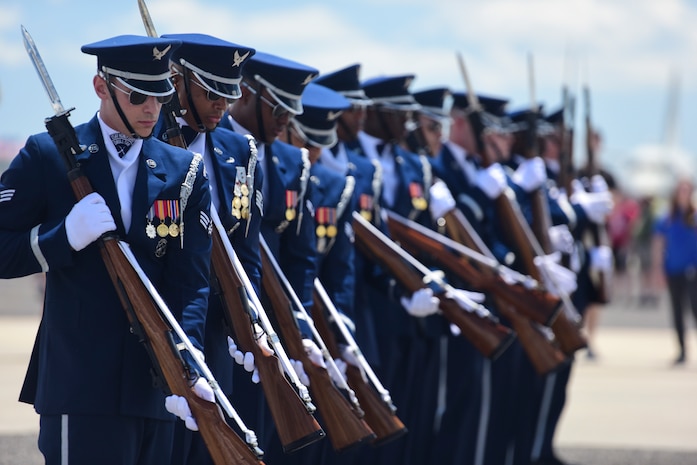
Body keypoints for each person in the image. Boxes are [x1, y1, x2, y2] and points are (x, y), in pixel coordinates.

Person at [0, 35, 213, 465]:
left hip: (157, 388)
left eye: (160, 94)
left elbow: (192, 282)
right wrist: (62, 237)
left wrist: (190, 358)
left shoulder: (183, 170)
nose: (152, 108)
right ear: (102, 87)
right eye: (138, 96)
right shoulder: (48, 156)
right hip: (79, 386)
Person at [151, 32, 262, 465]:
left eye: (228, 93)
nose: (222, 104)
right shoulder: (150, 138)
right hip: (157, 324)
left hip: (214, 334)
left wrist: (246, 319)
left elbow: (246, 253)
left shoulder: (239, 151)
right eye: (212, 91)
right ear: (179, 82)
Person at [652, 178, 697, 365]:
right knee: (677, 311)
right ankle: (681, 350)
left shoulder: (694, 216)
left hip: (693, 270)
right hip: (674, 270)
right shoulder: (667, 217)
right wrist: (658, 269)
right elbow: (658, 243)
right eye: (681, 191)